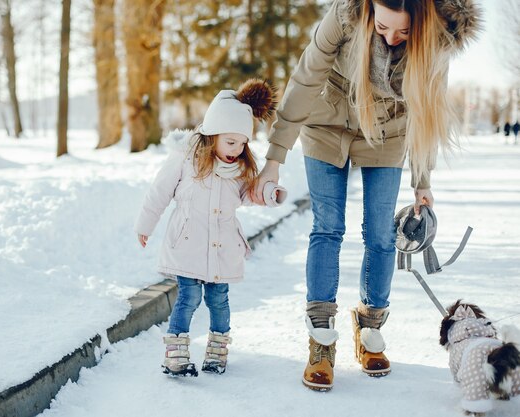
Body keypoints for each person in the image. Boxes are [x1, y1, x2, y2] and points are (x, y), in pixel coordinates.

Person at [251, 0, 481, 391]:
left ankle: (370, 328)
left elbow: (426, 113)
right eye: (383, 29)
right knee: (328, 227)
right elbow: (306, 79)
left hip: (387, 131)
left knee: (380, 235)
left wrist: (422, 181)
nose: (392, 39)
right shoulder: (343, 19)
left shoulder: (436, 41)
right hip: (327, 123)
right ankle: (321, 341)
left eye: (404, 32)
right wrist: (275, 157)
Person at [135, 79, 285, 377]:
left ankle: (217, 352)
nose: (237, 149)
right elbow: (159, 192)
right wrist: (145, 225)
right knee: (188, 297)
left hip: (223, 245)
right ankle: (175, 354)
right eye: (231, 142)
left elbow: (249, 194)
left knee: (219, 299)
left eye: (243, 143)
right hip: (188, 242)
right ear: (212, 134)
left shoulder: (238, 168)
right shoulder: (184, 158)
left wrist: (271, 194)